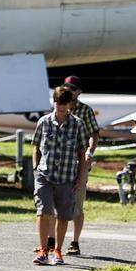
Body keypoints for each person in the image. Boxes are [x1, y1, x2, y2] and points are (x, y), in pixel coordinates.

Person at [31, 86, 89, 265]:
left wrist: (81, 177)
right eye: (58, 102)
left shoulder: (78, 124)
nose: (60, 106)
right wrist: (35, 168)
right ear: (54, 102)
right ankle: (43, 251)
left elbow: (82, 152)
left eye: (64, 103)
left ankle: (57, 251)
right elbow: (35, 146)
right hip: (45, 174)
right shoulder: (44, 122)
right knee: (44, 211)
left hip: (67, 176)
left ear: (70, 104)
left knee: (63, 216)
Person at [61, 76, 99, 256]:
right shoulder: (59, 107)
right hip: (60, 163)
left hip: (79, 163)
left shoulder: (85, 110)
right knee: (55, 204)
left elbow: (94, 133)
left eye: (72, 88)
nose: (69, 90)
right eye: (66, 86)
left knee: (77, 204)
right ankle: (51, 243)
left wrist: (89, 153)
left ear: (79, 92)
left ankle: (74, 242)